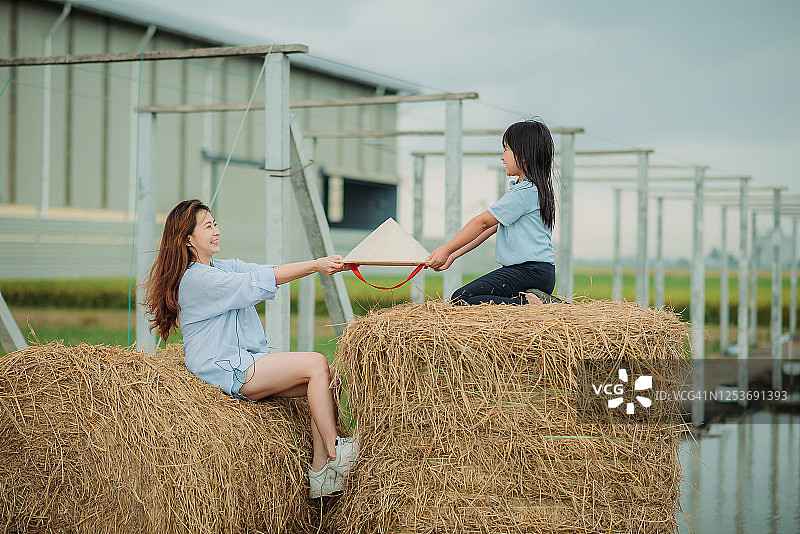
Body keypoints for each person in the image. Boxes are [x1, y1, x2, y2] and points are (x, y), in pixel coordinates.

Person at [142, 199, 355, 499]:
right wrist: (316, 266)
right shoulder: (197, 279)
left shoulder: (221, 267)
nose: (217, 230)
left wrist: (318, 263)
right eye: (208, 226)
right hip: (226, 369)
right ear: (188, 239)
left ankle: (320, 474)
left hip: (248, 362)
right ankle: (337, 452)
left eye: (215, 223)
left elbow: (265, 270)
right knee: (316, 362)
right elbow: (254, 283)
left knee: (329, 376)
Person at [426, 119, 556, 305]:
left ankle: (531, 304)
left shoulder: (523, 193)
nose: (502, 157)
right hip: (537, 271)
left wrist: (446, 249)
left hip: (528, 271)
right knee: (467, 299)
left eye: (506, 149)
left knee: (461, 298)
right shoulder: (532, 189)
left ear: (523, 154)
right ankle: (524, 302)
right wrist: (453, 255)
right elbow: (490, 229)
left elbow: (482, 223)